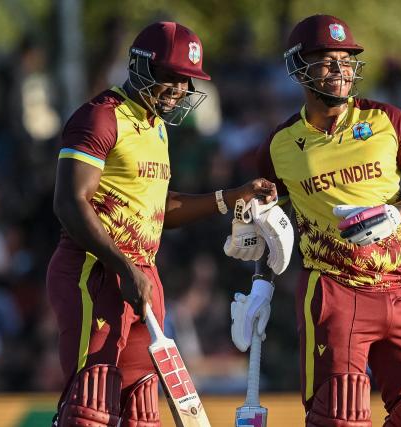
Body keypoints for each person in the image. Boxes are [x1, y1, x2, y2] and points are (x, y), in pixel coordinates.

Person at [228, 14, 401, 427]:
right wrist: (262, 284)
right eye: (327, 61)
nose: (340, 71)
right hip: (333, 291)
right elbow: (264, 223)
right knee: (339, 415)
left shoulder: (389, 121)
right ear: (299, 67)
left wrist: (395, 213)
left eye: (346, 60)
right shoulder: (278, 146)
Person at [46, 21, 277, 427]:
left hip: (142, 274)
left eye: (186, 80)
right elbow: (69, 201)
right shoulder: (99, 117)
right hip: (92, 272)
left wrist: (230, 197)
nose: (179, 90)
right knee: (91, 408)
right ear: (140, 66)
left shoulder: (156, 127)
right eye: (170, 77)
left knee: (142, 412)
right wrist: (122, 267)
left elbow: (160, 208)